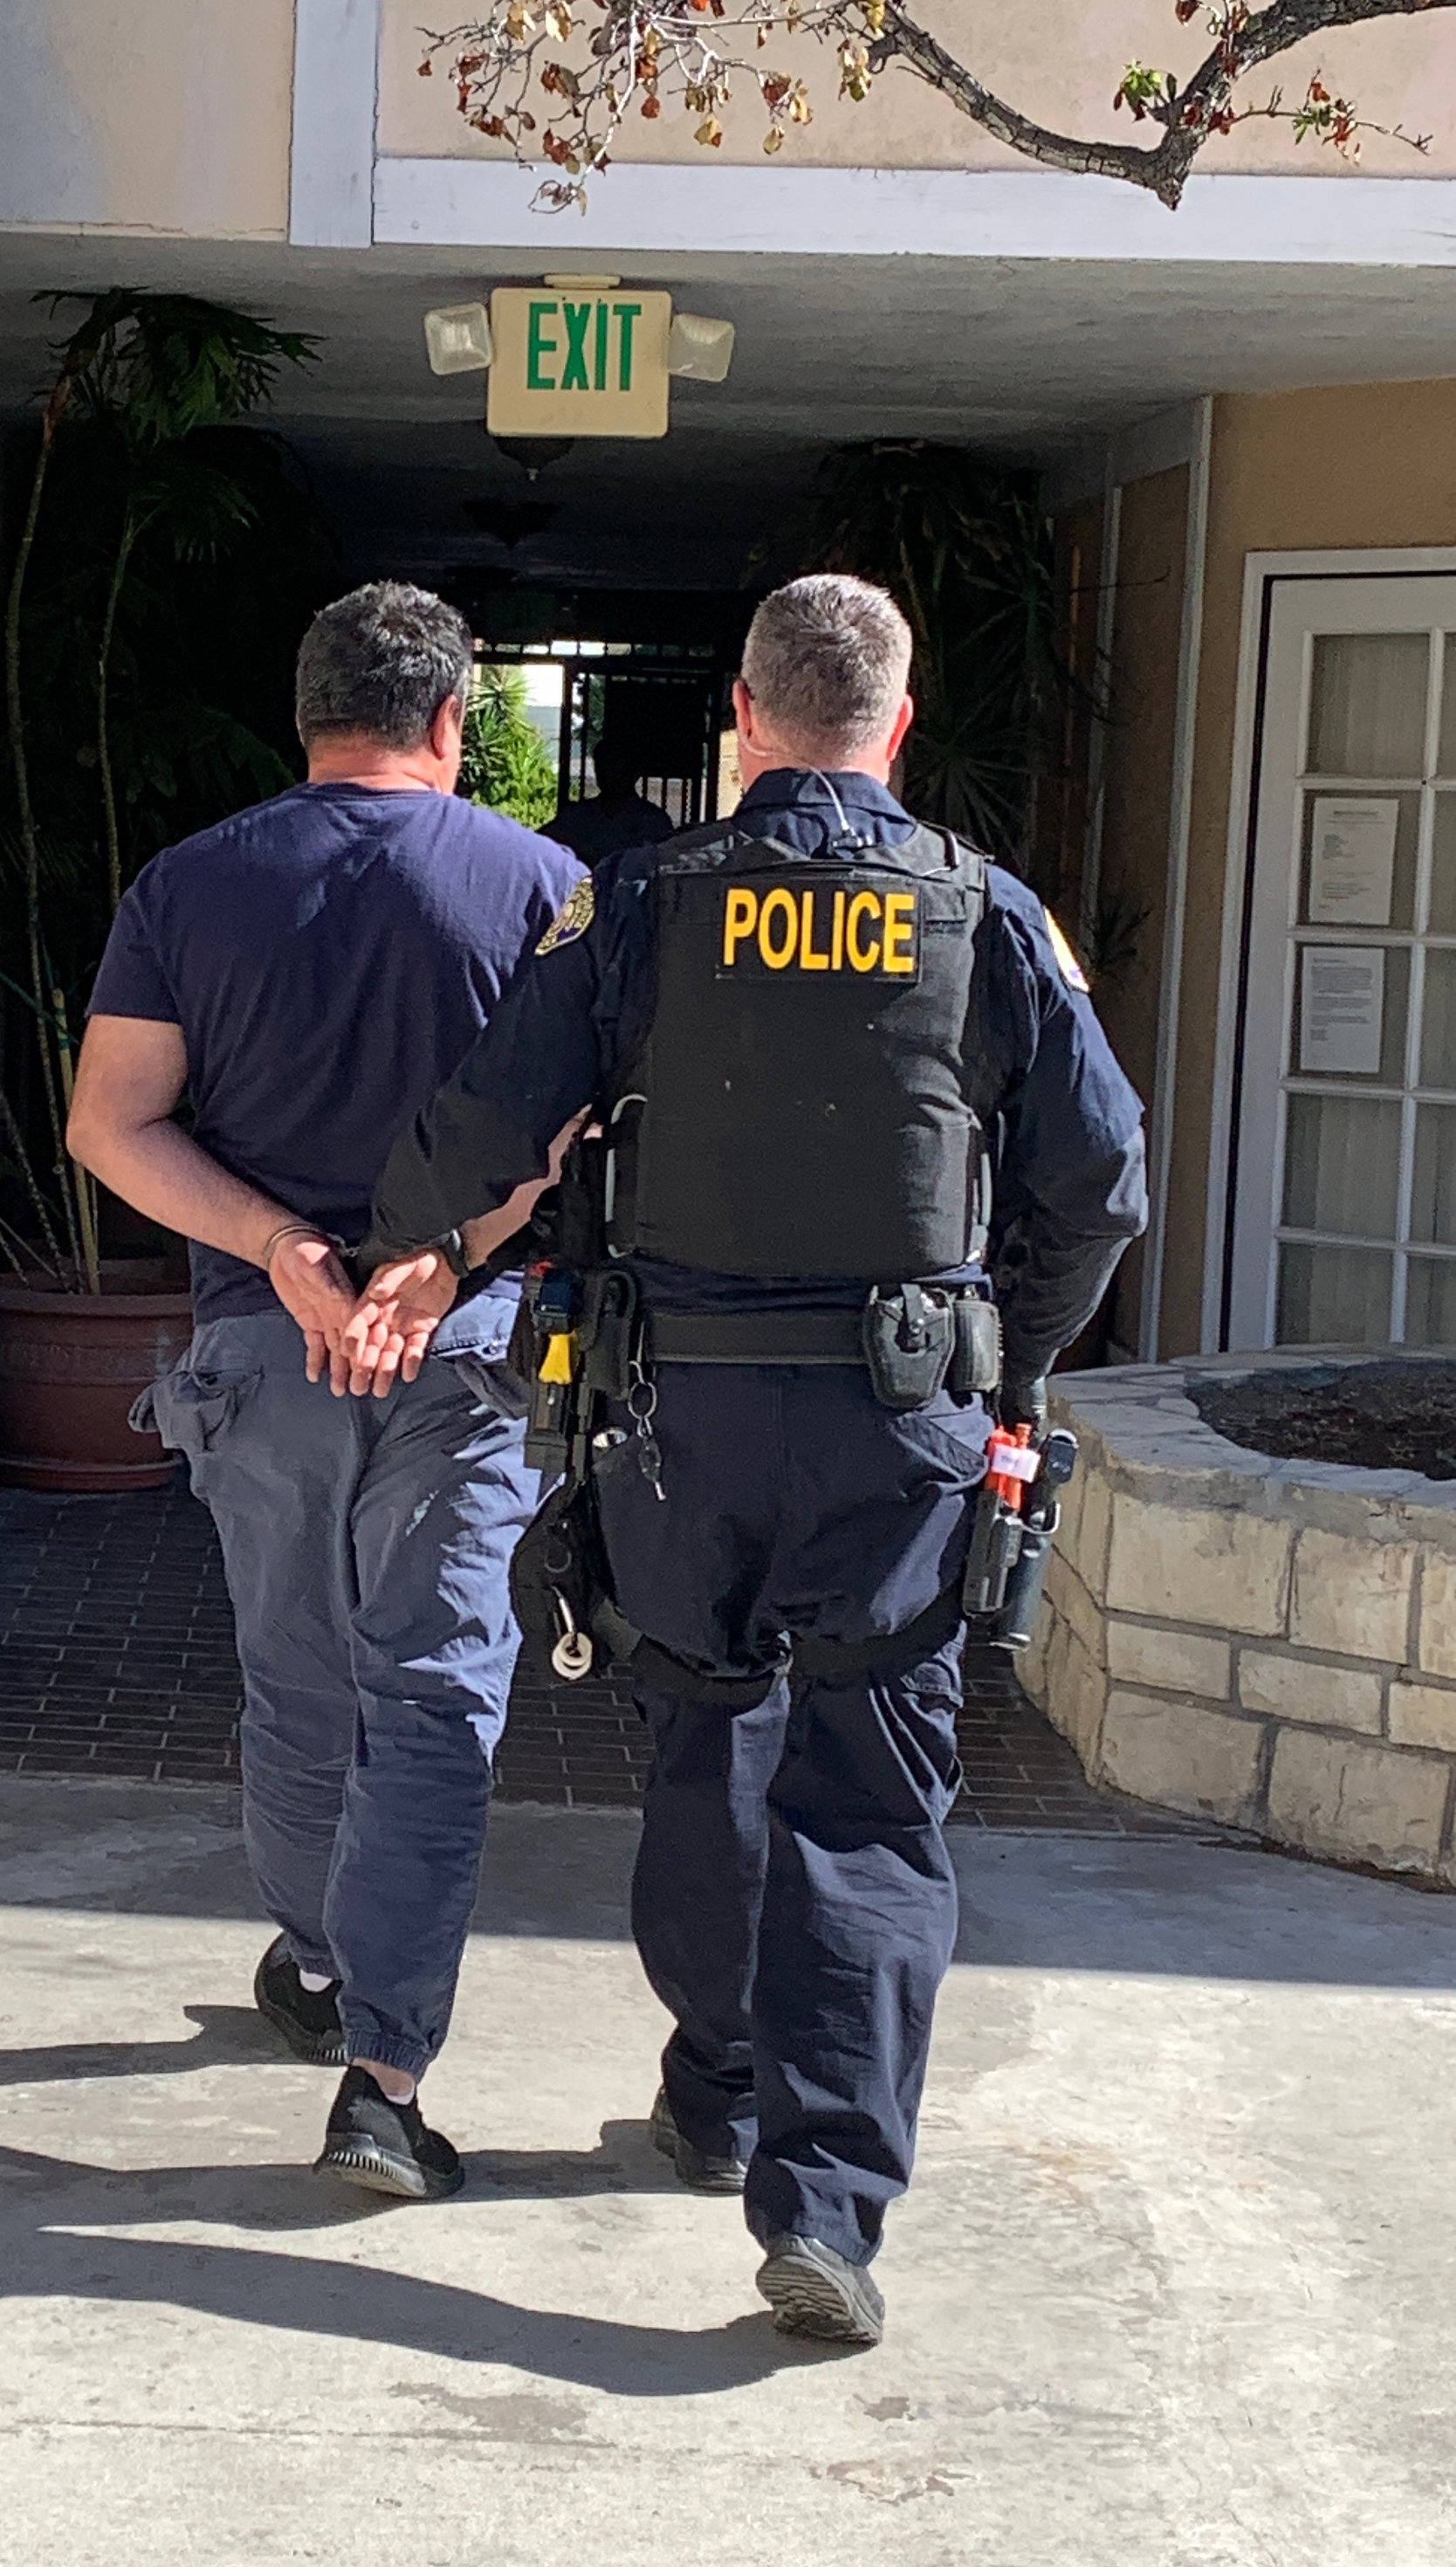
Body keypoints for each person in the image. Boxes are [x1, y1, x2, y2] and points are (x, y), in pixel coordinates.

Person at [346, 573, 1147, 2343]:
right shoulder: (984, 913)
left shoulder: (637, 905)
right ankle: (828, 2209)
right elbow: (1101, 1181)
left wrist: (390, 1246)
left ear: (741, 712)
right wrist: (990, 1346)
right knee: (865, 1799)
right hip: (895, 1424)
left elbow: (491, 1117)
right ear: (897, 724)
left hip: (676, 1422)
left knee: (705, 1740)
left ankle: (714, 2079)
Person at [66, 581, 583, 2203]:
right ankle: (384, 2072)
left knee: (298, 1678)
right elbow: (568, 1131)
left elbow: (112, 1121)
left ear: (307, 716)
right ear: (451, 724)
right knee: (432, 1696)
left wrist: (285, 1249)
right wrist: (431, 1261)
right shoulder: (544, 888)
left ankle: (315, 1952)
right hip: (465, 1349)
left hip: (256, 1352)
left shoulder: (190, 883)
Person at [544, 727, 675, 867]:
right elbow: (542, 844)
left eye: (616, 768)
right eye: (603, 767)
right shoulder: (575, 817)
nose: (609, 774)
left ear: (634, 772)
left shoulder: (653, 822)